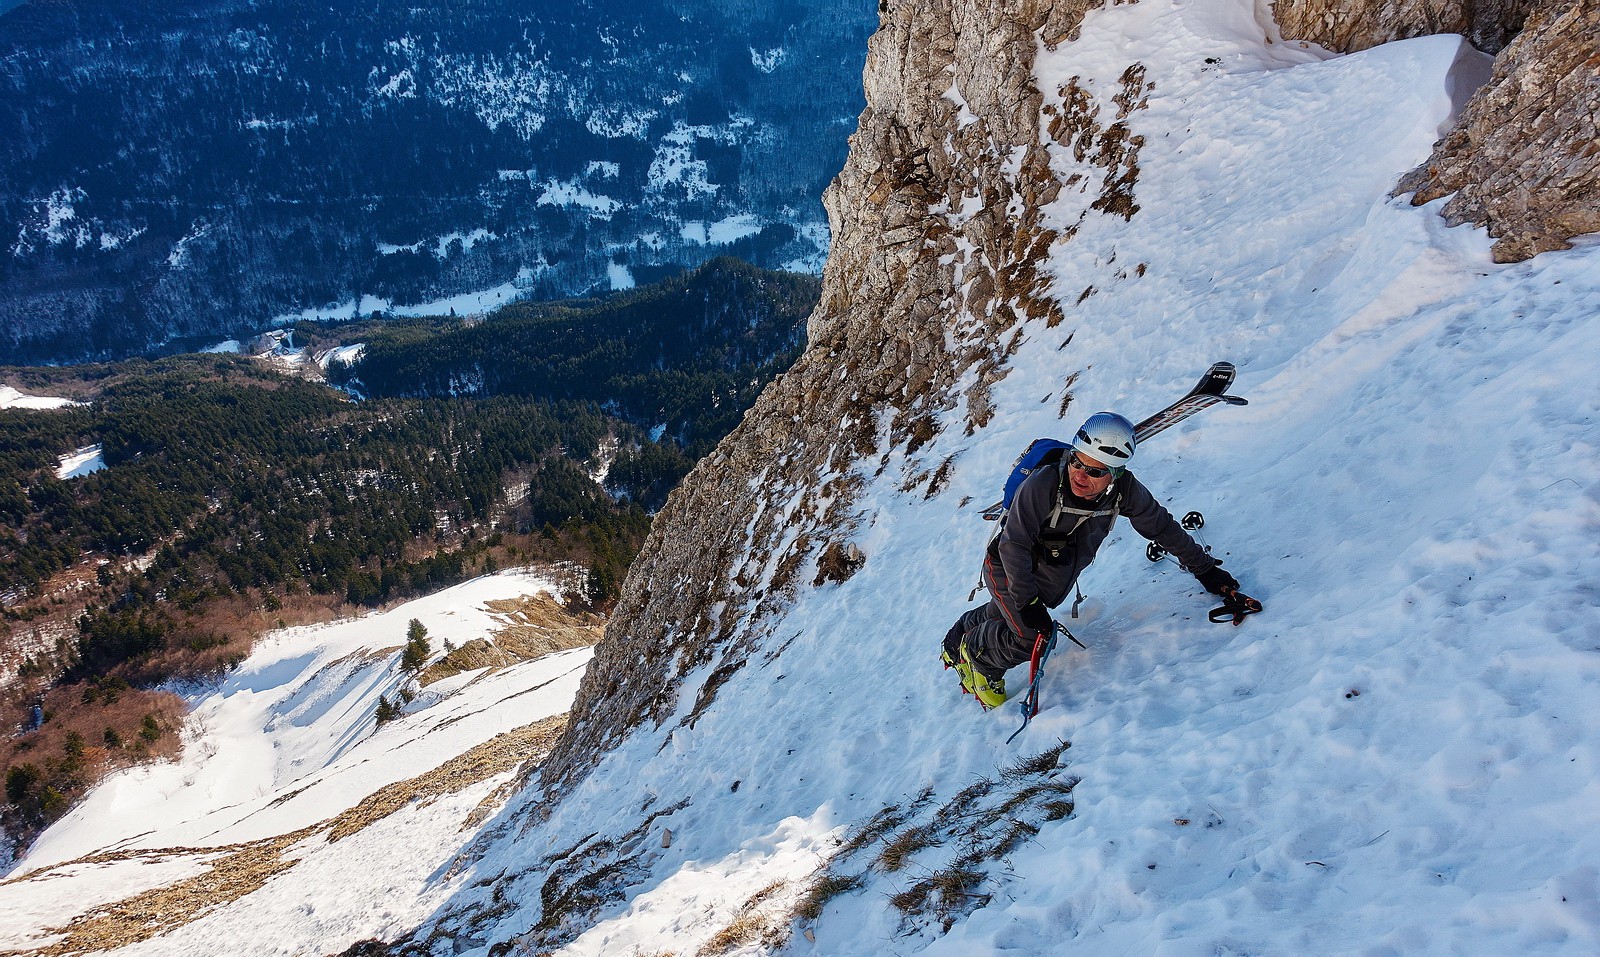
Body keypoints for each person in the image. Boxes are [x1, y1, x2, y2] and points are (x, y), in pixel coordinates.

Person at [942, 412, 1248, 707]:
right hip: (1006, 565)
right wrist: (1028, 602)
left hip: (1049, 574)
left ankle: (956, 640)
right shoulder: (1044, 484)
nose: (1080, 474)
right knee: (1032, 636)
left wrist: (1205, 570)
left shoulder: (1124, 491)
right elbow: (1014, 545)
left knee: (1012, 611)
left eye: (1095, 470)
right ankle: (979, 659)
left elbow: (1162, 527)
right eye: (1077, 461)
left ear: (1116, 474)